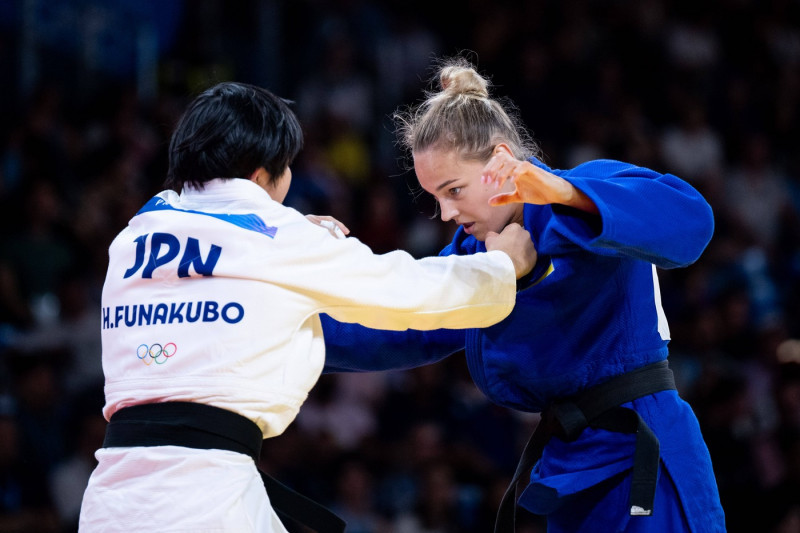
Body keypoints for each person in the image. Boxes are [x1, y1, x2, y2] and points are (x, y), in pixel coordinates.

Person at [77, 81, 538, 533]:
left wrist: (295, 230)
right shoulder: (280, 238)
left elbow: (217, 257)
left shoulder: (134, 235)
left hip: (112, 499)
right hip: (205, 500)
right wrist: (501, 268)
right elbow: (406, 291)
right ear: (262, 174)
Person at [320, 56, 727, 532]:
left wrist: (563, 194)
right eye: (435, 197)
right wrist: (265, 317)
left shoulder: (584, 191)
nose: (446, 213)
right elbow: (399, 326)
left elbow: (692, 222)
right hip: (570, 466)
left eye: (454, 190)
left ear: (499, 160)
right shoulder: (474, 256)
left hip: (644, 454)